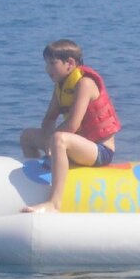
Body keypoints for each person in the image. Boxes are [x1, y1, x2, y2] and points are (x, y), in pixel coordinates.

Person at [20, 39, 121, 214]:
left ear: (70, 63)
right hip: (76, 145)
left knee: (59, 139)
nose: (47, 69)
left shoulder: (85, 84)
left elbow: (73, 124)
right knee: (27, 137)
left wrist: (52, 141)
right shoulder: (61, 87)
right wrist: (47, 139)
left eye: (52, 64)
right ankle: (36, 185)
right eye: (46, 64)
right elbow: (49, 119)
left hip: (99, 150)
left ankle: (54, 203)